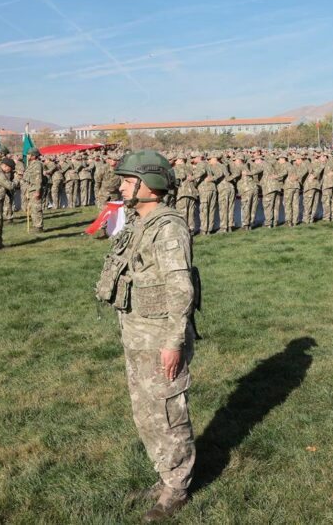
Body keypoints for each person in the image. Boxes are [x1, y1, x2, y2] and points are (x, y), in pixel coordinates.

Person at [97, 150, 197, 521]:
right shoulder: (139, 222)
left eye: (127, 180)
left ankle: (178, 487)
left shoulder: (167, 227)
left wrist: (173, 342)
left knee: (168, 413)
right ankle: (166, 474)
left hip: (159, 338)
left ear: (149, 186)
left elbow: (180, 289)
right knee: (147, 413)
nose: (121, 186)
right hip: (138, 334)